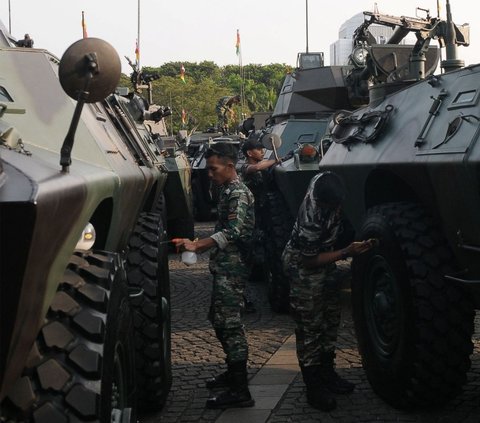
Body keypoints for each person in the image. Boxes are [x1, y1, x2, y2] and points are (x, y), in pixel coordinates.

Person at [282, 171, 375, 411]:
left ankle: (328, 373)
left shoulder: (326, 180)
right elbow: (309, 260)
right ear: (322, 203)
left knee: (331, 319)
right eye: (331, 206)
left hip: (326, 260)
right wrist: (347, 252)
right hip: (303, 267)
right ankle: (313, 385)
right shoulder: (311, 219)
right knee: (310, 327)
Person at [173, 142, 255, 409]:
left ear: (229, 166)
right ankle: (232, 374)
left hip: (233, 268)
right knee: (219, 320)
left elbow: (234, 232)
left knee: (230, 325)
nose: (209, 174)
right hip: (225, 266)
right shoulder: (226, 190)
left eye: (213, 169)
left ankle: (240, 391)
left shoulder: (238, 194)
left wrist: (198, 245)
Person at [239, 138, 280, 285]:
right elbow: (255, 169)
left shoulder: (262, 165)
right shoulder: (245, 167)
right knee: (252, 242)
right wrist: (274, 161)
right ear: (249, 153)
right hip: (251, 213)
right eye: (259, 149)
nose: (262, 152)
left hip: (262, 210)